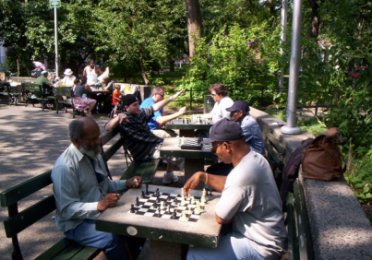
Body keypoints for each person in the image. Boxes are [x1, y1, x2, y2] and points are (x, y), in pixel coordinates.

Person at [183, 118, 287, 260]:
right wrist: (204, 177)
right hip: (270, 238)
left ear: (226, 146)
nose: (214, 153)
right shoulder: (256, 159)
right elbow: (235, 186)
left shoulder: (241, 175)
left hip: (260, 247)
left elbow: (220, 217)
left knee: (193, 253)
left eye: (214, 147)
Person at [51, 117, 144, 260]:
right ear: (76, 141)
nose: (98, 142)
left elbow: (105, 184)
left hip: (98, 215)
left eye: (98, 136)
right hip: (77, 224)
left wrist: (126, 183)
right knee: (111, 237)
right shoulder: (65, 168)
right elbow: (67, 209)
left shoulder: (93, 152)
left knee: (135, 221)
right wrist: (99, 205)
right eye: (92, 139)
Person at [105, 90, 185, 184]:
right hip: (145, 154)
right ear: (126, 107)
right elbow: (107, 127)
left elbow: (155, 107)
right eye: (135, 105)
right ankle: (194, 184)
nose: (138, 107)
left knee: (180, 144)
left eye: (138, 104)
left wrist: (172, 97)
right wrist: (118, 117)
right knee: (181, 155)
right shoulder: (124, 119)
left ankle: (169, 174)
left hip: (153, 146)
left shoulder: (139, 114)